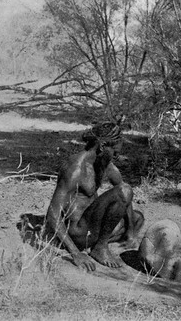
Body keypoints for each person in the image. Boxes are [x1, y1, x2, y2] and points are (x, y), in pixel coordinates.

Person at [45, 116, 144, 271]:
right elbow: (52, 214)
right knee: (124, 192)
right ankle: (100, 247)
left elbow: (123, 190)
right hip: (78, 233)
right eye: (115, 153)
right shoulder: (75, 169)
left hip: (92, 227)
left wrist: (131, 233)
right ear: (103, 146)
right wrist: (75, 253)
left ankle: (100, 242)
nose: (116, 157)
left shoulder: (104, 165)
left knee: (137, 218)